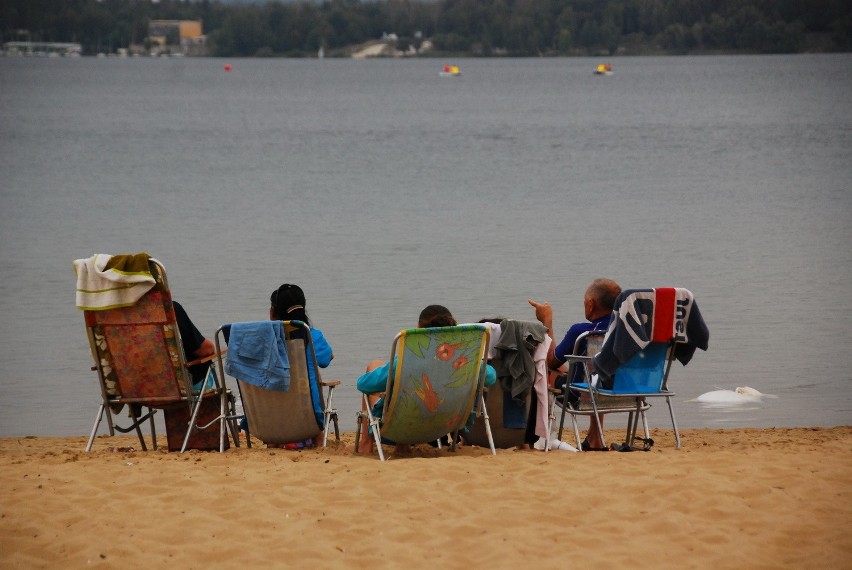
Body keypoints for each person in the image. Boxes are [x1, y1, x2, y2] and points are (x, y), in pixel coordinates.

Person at [355, 305, 496, 455]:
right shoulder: (464, 362)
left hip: (402, 425)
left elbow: (363, 384)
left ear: (419, 328)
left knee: (375, 365)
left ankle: (367, 443)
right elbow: (491, 377)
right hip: (446, 424)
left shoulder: (407, 361)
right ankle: (402, 446)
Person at [528, 278, 622, 451]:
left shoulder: (582, 332)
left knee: (541, 367)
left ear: (590, 304)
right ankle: (596, 439)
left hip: (581, 395)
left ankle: (542, 435)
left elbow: (551, 360)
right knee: (597, 374)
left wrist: (546, 321)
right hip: (626, 390)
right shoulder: (627, 333)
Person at [266, 283, 334, 448]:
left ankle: (274, 442)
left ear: (273, 312)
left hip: (270, 417)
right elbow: (326, 359)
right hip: (308, 415)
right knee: (312, 375)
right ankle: (318, 437)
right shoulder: (312, 336)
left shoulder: (265, 338)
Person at [172, 300, 216, 388]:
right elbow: (203, 350)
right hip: (185, 387)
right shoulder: (168, 308)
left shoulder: (136, 313)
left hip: (143, 391)